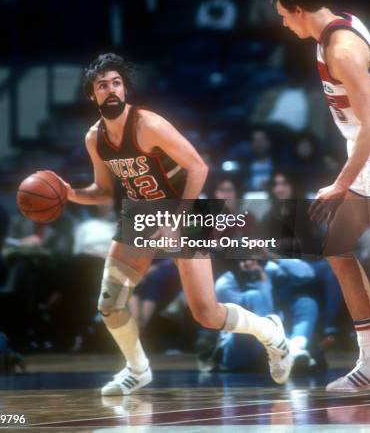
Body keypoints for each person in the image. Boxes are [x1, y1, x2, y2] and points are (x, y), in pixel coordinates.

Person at [60, 53, 292, 395]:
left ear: (125, 89)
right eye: (102, 85)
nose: (110, 90)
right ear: (92, 95)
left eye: (116, 83)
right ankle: (137, 369)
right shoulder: (94, 138)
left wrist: (176, 219)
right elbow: (104, 190)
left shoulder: (147, 124)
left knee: (207, 314)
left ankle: (271, 333)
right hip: (140, 213)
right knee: (109, 303)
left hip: (187, 211)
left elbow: (199, 167)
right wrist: (68, 193)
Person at [269, 0, 370, 391]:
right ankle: (369, 362)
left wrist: (340, 183)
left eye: (283, 15)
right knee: (337, 250)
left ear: (298, 9)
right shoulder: (338, 25)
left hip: (368, 147)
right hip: (362, 151)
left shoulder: (343, 48)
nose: (282, 23)